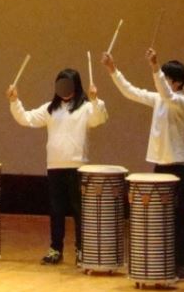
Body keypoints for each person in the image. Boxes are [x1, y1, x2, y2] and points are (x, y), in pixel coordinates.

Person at [101, 48, 184, 278]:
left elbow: (167, 94)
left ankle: (182, 263)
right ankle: (163, 261)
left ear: (177, 83)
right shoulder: (159, 99)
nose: (162, 81)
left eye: (166, 78)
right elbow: (131, 91)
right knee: (160, 216)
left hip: (179, 165)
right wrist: (113, 70)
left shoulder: (182, 101)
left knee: (179, 216)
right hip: (161, 164)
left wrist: (154, 66)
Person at [7, 68, 108, 265]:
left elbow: (99, 118)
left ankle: (81, 250)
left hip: (78, 166)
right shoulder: (50, 109)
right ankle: (55, 249)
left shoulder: (86, 108)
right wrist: (14, 101)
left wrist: (95, 100)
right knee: (56, 210)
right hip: (55, 166)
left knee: (79, 211)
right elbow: (26, 118)